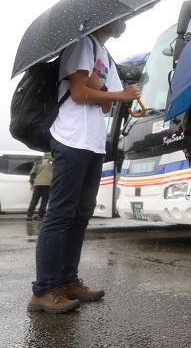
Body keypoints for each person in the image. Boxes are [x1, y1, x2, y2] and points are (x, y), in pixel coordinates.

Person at [28, 19, 141, 314]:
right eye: (119, 20)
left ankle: (67, 280)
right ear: (106, 19)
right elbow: (79, 94)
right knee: (61, 213)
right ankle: (43, 290)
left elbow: (105, 105)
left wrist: (101, 86)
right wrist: (114, 93)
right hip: (71, 138)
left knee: (80, 214)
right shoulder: (80, 44)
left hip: (93, 143)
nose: (123, 23)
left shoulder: (105, 56)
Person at [27, 152, 53, 221]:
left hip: (38, 183)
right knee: (44, 201)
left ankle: (29, 216)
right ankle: (40, 216)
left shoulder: (39, 161)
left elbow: (32, 173)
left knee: (34, 200)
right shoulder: (53, 162)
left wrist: (32, 183)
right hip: (47, 184)